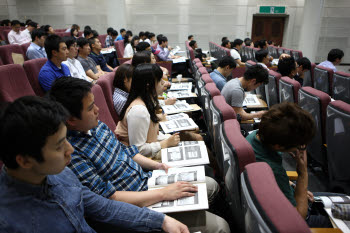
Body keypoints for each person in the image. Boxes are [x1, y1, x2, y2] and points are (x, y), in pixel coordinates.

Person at [48, 77, 230, 233]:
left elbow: (126, 151)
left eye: (95, 103)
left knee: (211, 185)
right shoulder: (71, 152)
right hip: (137, 202)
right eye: (90, 108)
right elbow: (107, 200)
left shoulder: (98, 126)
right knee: (220, 226)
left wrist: (158, 166)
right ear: (70, 120)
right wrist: (163, 193)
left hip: (148, 180)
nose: (98, 110)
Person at [0, 95, 188, 233]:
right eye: (59, 146)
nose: (70, 150)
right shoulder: (10, 222)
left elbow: (103, 208)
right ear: (24, 160)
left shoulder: (60, 174)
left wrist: (161, 221)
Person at [246, 102, 332, 228]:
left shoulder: (255, 136)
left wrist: (292, 185)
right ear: (278, 146)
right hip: (298, 219)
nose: (300, 149)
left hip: (286, 195)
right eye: (299, 146)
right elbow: (298, 217)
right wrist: (302, 174)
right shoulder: (273, 170)